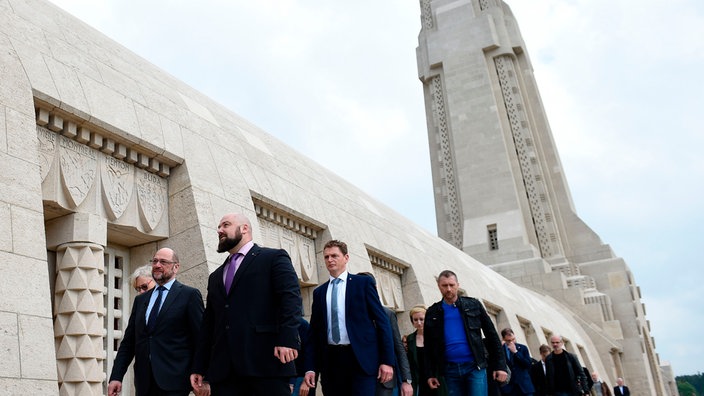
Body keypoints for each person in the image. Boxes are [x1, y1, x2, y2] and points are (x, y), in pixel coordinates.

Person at [191, 213, 302, 396]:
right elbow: (209, 324)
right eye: (219, 227)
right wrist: (199, 366)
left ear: (244, 228)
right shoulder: (216, 276)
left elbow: (290, 299)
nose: (219, 230)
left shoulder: (273, 258)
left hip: (265, 364)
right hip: (224, 373)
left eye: (225, 225)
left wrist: (287, 339)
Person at [304, 240, 395, 395]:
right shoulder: (319, 292)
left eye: (334, 256)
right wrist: (310, 368)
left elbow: (382, 323)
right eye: (326, 257)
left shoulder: (363, 284)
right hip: (331, 362)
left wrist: (387, 361)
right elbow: (314, 333)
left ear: (346, 258)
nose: (330, 260)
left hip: (361, 360)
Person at [108, 248, 204, 396]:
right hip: (144, 383)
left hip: (175, 382)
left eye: (163, 262)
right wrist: (116, 376)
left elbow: (201, 339)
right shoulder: (140, 300)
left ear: (176, 267)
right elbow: (129, 342)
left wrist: (201, 372)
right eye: (155, 261)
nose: (157, 265)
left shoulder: (189, 295)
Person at [424, 270, 508, 396]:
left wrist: (501, 366)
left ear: (458, 285)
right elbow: (429, 346)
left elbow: (492, 336)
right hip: (449, 369)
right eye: (444, 285)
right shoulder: (432, 312)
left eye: (451, 285)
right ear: (438, 286)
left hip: (475, 367)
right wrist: (430, 374)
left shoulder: (473, 305)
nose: (448, 289)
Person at [406, 305, 445, 396]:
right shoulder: (410, 339)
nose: (419, 322)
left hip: (438, 378)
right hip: (419, 379)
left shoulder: (436, 336)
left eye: (421, 319)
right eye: (415, 320)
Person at [499, 328, 535, 396]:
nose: (512, 342)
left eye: (513, 339)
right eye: (509, 340)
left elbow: (528, 364)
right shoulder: (501, 349)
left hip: (525, 387)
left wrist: (516, 352)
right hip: (509, 388)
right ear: (503, 339)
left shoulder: (523, 348)